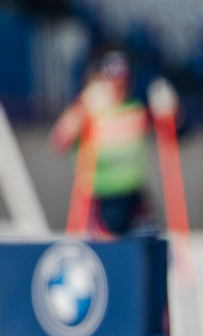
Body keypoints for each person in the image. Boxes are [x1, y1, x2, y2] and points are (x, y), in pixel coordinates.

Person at [50, 50, 152, 237]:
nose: (119, 84)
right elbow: (60, 141)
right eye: (113, 78)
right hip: (100, 195)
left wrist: (170, 109)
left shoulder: (136, 107)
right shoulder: (90, 108)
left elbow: (177, 130)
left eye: (123, 78)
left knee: (147, 241)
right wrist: (83, 107)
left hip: (133, 194)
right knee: (107, 246)